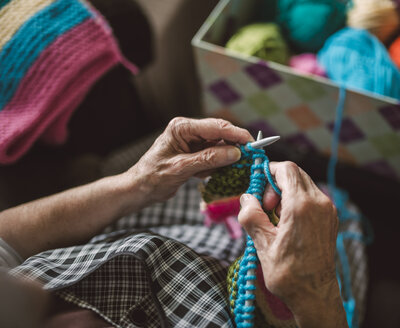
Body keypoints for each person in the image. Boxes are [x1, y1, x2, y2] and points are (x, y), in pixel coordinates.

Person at [0, 117, 347, 328]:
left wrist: (137, 183)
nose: (34, 286)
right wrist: (320, 304)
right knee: (346, 218)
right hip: (284, 298)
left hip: (173, 231)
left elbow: (4, 241)